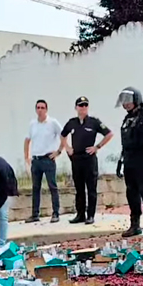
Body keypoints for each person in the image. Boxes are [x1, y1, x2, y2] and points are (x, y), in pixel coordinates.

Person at [60, 96, 114, 225]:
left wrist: (97, 147)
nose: (83, 108)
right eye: (80, 105)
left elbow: (109, 134)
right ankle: (80, 214)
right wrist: (67, 147)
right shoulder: (72, 122)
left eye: (85, 105)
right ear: (76, 107)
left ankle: (90, 215)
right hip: (76, 159)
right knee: (79, 189)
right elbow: (62, 135)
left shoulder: (94, 122)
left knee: (91, 188)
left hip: (89, 159)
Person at [116, 87, 143, 238]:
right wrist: (121, 161)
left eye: (128, 100)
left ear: (137, 99)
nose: (126, 104)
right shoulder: (127, 119)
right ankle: (135, 225)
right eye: (124, 101)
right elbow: (126, 142)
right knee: (131, 193)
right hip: (129, 161)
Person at [24, 100, 63, 223]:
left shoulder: (53, 123)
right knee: (36, 187)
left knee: (52, 186)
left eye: (42, 107)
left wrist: (59, 151)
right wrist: (27, 157)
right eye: (38, 107)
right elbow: (27, 140)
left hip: (48, 159)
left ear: (46, 109)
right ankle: (35, 214)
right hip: (36, 160)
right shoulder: (32, 124)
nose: (40, 110)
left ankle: (55, 213)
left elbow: (64, 135)